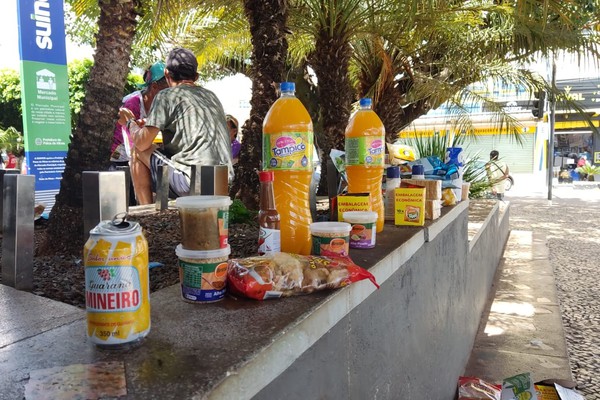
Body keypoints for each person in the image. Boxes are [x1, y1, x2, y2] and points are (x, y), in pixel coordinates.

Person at [118, 47, 233, 205]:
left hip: (191, 183)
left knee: (137, 150)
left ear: (167, 74)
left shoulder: (165, 96)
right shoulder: (212, 96)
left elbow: (142, 142)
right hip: (222, 183)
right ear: (196, 76)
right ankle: (160, 210)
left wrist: (130, 122)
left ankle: (149, 213)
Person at [111, 62, 168, 168]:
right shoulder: (132, 104)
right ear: (154, 86)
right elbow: (131, 140)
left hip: (140, 156)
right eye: (167, 90)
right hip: (119, 159)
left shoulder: (161, 106)